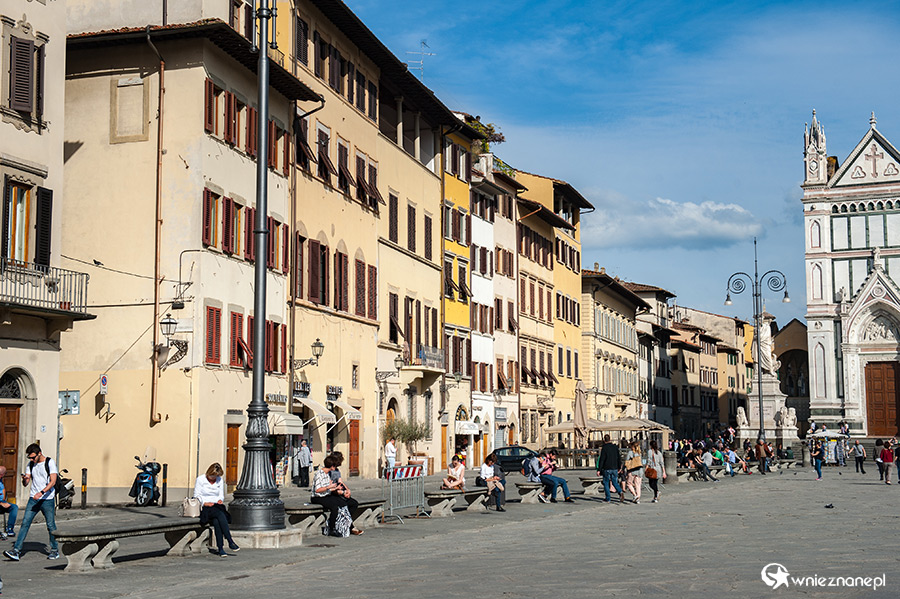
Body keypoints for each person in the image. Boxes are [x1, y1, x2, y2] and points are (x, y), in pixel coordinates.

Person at [4, 444, 59, 561]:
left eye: (33, 457)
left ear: (39, 453)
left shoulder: (49, 462)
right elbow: (26, 483)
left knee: (50, 525)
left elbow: (53, 481)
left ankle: (54, 550)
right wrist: (25, 479)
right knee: (25, 523)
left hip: (47, 499)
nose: (32, 460)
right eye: (30, 458)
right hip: (33, 499)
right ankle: (16, 550)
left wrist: (41, 492)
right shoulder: (30, 464)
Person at [193, 463, 239, 557]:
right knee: (219, 515)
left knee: (217, 521)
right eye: (212, 476)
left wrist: (220, 500)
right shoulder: (200, 479)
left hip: (216, 505)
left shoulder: (219, 480)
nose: (214, 478)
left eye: (216, 476)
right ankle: (230, 540)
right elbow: (197, 495)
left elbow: (221, 494)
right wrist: (204, 503)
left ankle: (221, 548)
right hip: (206, 506)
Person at [311, 454, 363, 537]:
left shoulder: (326, 474)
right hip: (318, 497)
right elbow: (317, 490)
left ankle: (344, 524)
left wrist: (337, 488)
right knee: (335, 507)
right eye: (335, 466)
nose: (335, 468)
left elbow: (331, 487)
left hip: (326, 494)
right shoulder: (319, 474)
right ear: (332, 466)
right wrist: (329, 487)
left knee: (344, 504)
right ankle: (332, 528)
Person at [328, 453, 363, 535]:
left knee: (354, 503)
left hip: (340, 491)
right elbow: (329, 486)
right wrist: (342, 492)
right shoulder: (329, 471)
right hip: (333, 493)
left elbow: (340, 481)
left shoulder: (337, 470)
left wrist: (347, 490)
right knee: (344, 505)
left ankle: (346, 523)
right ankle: (350, 526)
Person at [596, 435, 625, 503]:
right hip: (614, 467)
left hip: (607, 467)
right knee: (614, 482)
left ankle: (608, 498)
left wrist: (599, 469)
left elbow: (602, 459)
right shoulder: (615, 447)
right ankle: (620, 491)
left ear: (604, 440)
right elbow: (618, 457)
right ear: (610, 439)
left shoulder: (604, 448)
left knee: (606, 482)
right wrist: (619, 467)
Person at [0, 466, 18, 540]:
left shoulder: (0, 480)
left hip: (2, 501)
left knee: (14, 507)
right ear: (2, 474)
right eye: (5, 473)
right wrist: (1, 503)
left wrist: (3, 500)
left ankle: (10, 528)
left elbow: (3, 489)